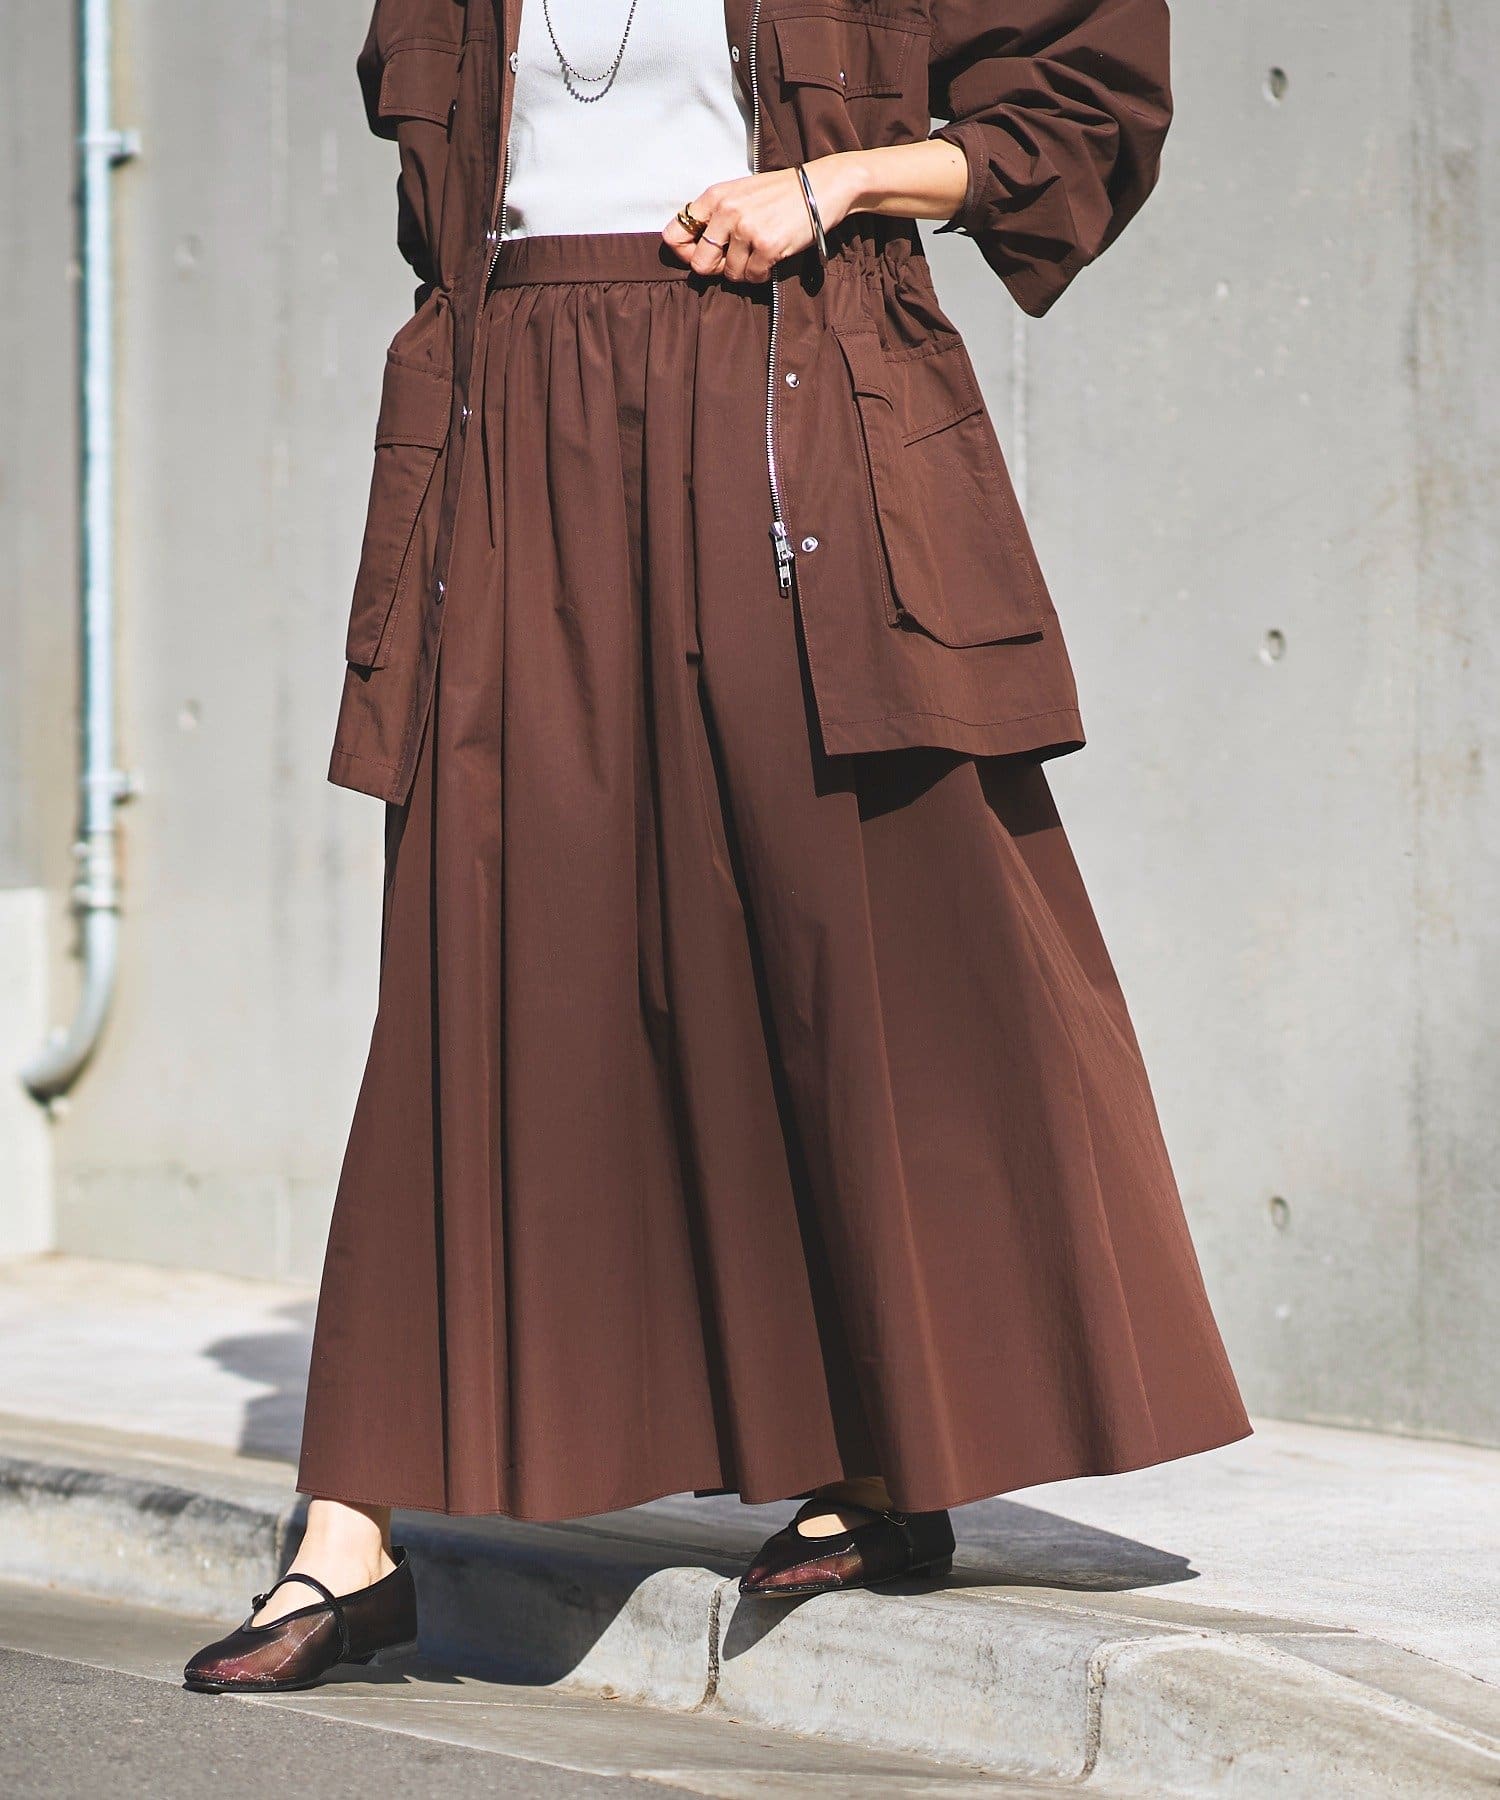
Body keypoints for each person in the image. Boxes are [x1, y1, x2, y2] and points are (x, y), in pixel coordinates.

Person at [185, 0, 1249, 1694]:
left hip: (782, 382)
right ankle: (350, 1531)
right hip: (515, 420)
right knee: (483, 949)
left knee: (835, 927)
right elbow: (441, 196)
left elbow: (1083, 108)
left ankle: (886, 1461)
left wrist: (835, 183)